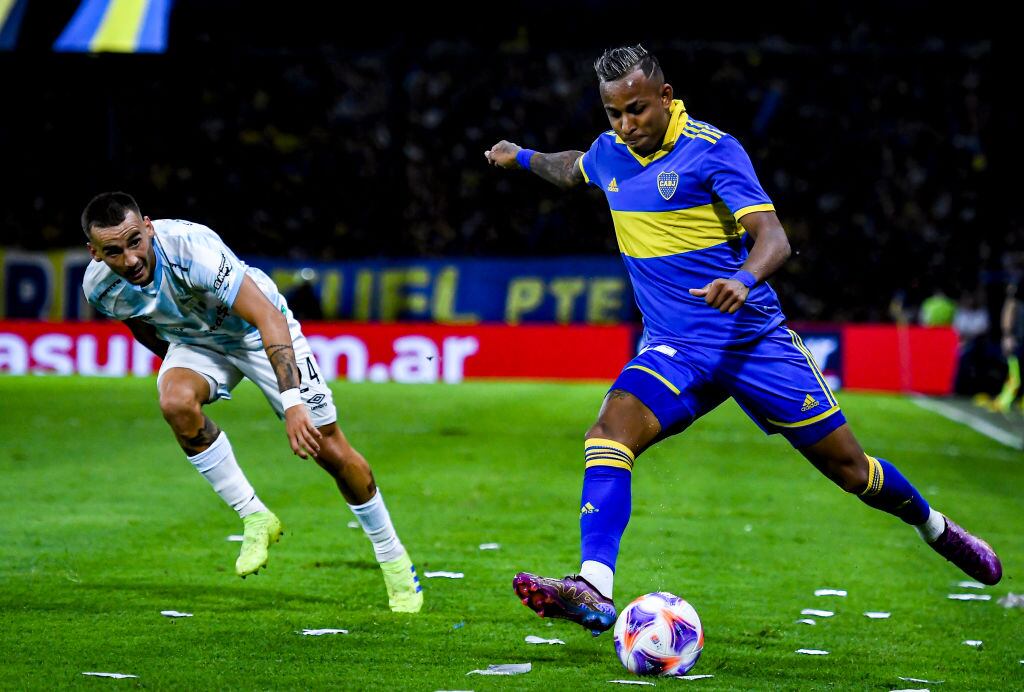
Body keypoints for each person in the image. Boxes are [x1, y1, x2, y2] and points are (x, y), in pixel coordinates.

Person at [485, 44, 1001, 636]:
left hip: (753, 342)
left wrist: (743, 278)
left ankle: (935, 526)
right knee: (608, 433)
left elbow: (774, 238)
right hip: (676, 346)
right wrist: (519, 156)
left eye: (637, 110)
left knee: (853, 472)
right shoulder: (610, 154)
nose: (627, 126)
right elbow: (570, 167)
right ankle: (594, 587)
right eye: (613, 114)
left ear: (666, 98)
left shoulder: (712, 151)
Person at [81, 191, 422, 613]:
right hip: (198, 340)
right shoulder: (100, 288)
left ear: (148, 227)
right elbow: (141, 323)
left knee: (330, 448)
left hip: (255, 330)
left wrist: (293, 403)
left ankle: (394, 561)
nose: (130, 258)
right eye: (114, 251)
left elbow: (267, 317)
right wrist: (178, 362)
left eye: (135, 241)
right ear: (94, 252)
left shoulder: (191, 249)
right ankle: (255, 516)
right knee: (174, 403)